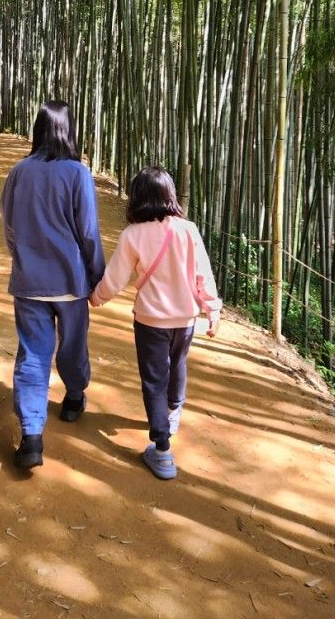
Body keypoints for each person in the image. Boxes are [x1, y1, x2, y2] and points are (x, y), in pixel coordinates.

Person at [90, 166, 221, 480]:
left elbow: (115, 278)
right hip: (186, 318)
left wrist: (96, 297)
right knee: (177, 364)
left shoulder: (133, 235)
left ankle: (162, 449)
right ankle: (173, 412)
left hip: (151, 320)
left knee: (154, 379)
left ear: (137, 199)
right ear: (170, 196)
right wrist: (212, 309)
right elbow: (203, 273)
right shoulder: (188, 230)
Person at [0, 100, 105, 469]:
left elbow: (9, 226)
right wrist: (97, 276)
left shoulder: (18, 172)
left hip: (29, 282)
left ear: (39, 129)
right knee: (73, 347)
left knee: (32, 354)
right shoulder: (77, 173)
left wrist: (23, 256)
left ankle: (31, 436)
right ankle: (74, 397)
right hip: (71, 282)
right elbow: (88, 234)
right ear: (68, 130)